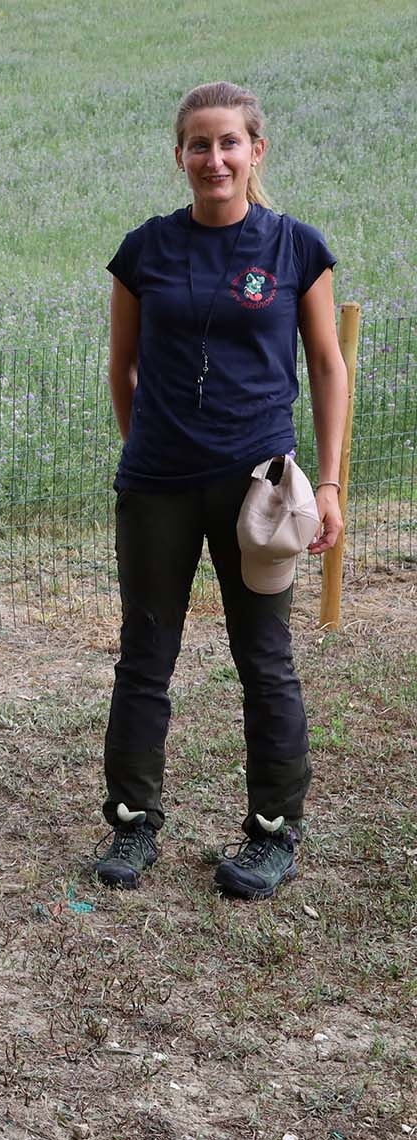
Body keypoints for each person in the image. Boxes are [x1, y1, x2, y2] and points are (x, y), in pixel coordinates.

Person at [93, 81, 346, 900]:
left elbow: (328, 366)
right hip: (157, 489)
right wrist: (148, 447)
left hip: (260, 495)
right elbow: (122, 366)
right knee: (145, 657)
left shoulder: (294, 247)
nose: (215, 158)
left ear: (255, 150)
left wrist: (329, 482)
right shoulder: (145, 250)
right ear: (180, 156)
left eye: (229, 142)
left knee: (264, 661)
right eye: (199, 145)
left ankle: (274, 832)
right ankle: (133, 823)